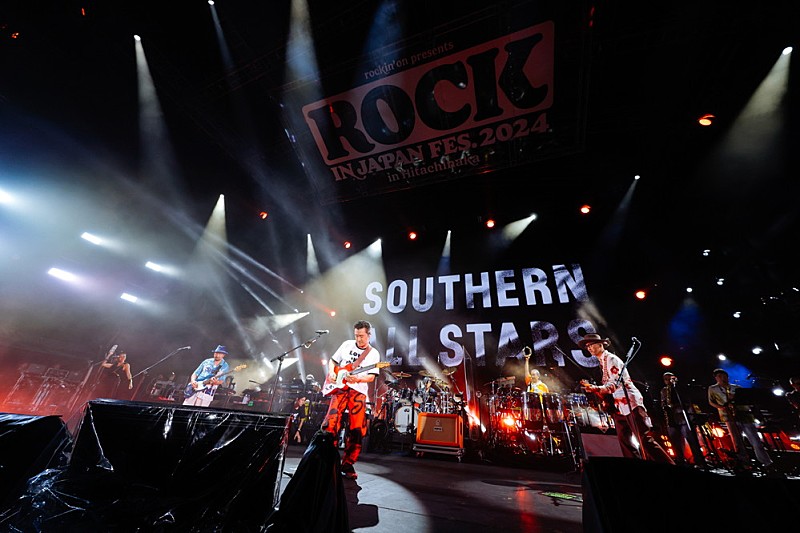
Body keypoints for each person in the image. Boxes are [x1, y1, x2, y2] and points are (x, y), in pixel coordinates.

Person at [578, 333, 673, 464]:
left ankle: (668, 465)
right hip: (619, 406)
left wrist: (596, 388)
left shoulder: (611, 359)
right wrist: (596, 390)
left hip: (630, 402)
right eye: (587, 346)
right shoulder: (602, 362)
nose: (589, 348)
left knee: (644, 439)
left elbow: (615, 384)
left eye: (591, 345)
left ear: (600, 344)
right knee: (625, 441)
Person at [322, 320, 382, 480]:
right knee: (330, 422)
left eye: (361, 336)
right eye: (356, 335)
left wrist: (358, 378)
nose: (358, 339)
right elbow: (333, 361)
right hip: (340, 388)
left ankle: (348, 464)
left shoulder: (373, 353)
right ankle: (328, 460)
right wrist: (332, 372)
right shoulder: (346, 345)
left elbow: (371, 377)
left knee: (356, 429)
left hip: (358, 391)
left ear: (369, 335)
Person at [707, 368, 778, 476]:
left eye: (724, 376)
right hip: (728, 416)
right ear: (716, 378)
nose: (722, 378)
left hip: (744, 415)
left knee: (755, 440)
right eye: (719, 376)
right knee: (737, 441)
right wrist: (721, 407)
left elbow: (747, 399)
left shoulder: (737, 387)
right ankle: (745, 464)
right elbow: (711, 401)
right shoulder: (712, 388)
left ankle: (767, 463)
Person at [660, 372, 708, 469]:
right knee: (676, 444)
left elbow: (688, 402)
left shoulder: (681, 388)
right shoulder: (664, 390)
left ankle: (699, 461)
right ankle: (681, 461)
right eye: (666, 379)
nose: (668, 381)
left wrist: (677, 407)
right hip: (672, 419)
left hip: (684, 419)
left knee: (692, 441)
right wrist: (665, 406)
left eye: (670, 378)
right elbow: (663, 403)